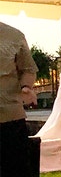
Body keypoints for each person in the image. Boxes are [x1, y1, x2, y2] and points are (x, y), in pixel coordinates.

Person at [0, 22, 38, 177]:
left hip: (10, 118)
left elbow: (28, 69)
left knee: (15, 169)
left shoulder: (14, 36)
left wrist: (26, 87)